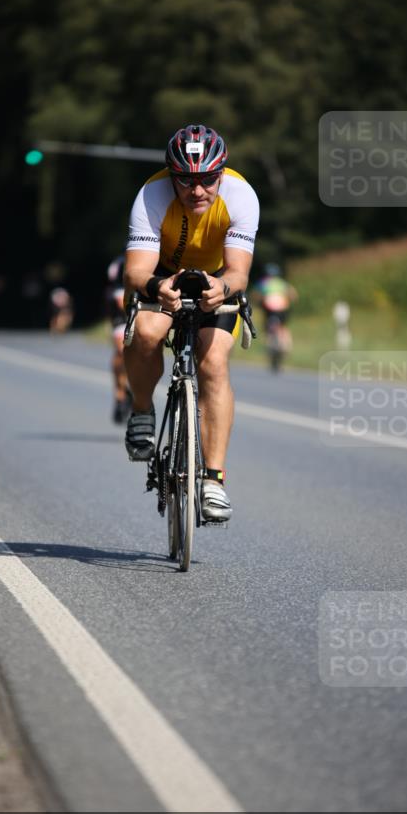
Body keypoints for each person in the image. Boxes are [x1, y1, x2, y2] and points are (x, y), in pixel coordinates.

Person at [123, 124, 259, 522]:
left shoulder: (240, 195)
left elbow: (240, 273)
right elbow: (135, 272)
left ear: (221, 174)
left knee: (213, 360)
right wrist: (155, 287)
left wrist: (224, 286)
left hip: (215, 280)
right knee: (147, 333)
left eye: (207, 181)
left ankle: (213, 480)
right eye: (185, 181)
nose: (197, 191)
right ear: (171, 175)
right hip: (162, 276)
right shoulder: (151, 194)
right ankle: (143, 410)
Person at [105, 254, 133, 424]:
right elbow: (118, 300)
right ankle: (120, 394)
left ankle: (136, 393)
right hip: (122, 315)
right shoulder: (119, 264)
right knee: (121, 350)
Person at [255, 263, 298, 370]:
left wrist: (258, 302)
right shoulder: (282, 283)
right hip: (283, 308)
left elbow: (256, 295)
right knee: (283, 327)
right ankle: (286, 345)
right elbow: (293, 294)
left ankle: (269, 348)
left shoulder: (264, 282)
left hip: (269, 309)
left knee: (267, 329)